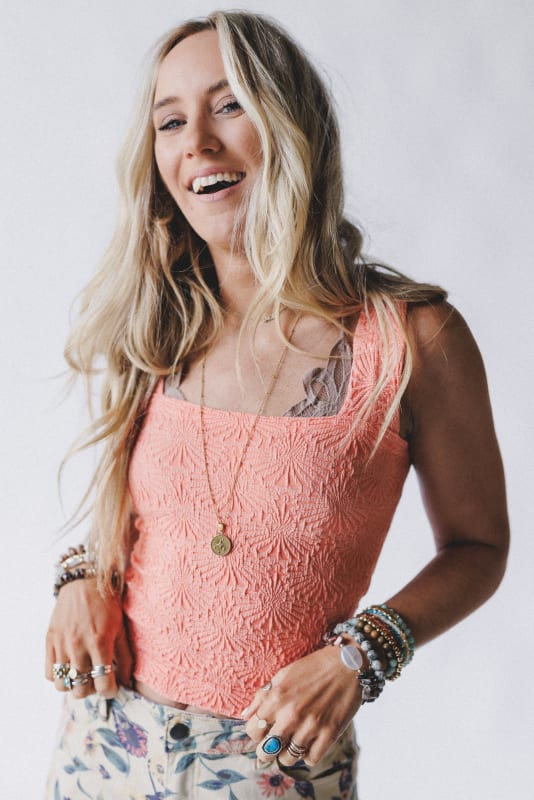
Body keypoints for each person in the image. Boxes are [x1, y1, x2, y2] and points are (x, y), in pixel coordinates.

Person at [45, 9, 509, 800]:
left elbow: (478, 545)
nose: (197, 143)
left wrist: (362, 654)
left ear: (291, 124)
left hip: (272, 768)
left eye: (229, 105)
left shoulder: (411, 341)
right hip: (104, 748)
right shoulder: (160, 319)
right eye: (170, 121)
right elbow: (137, 512)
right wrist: (80, 578)